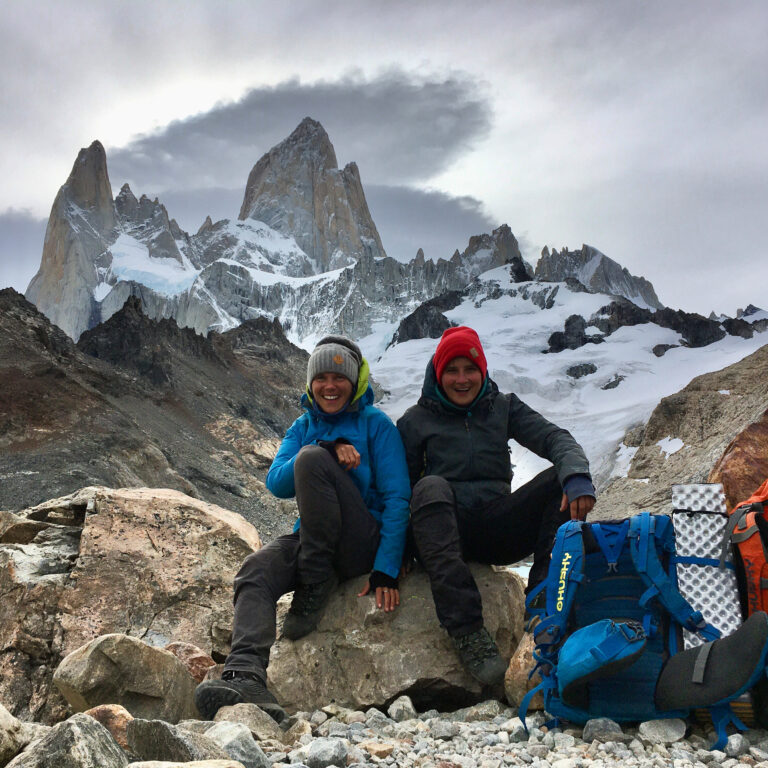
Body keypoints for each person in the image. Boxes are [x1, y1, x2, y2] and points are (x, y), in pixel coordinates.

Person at [195, 335, 411, 721]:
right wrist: (326, 448)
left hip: (361, 539)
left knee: (311, 459)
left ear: (355, 381)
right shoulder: (303, 425)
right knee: (256, 569)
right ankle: (246, 675)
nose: (330, 386)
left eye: (339, 377)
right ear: (310, 383)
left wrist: (386, 568)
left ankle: (316, 580)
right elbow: (276, 482)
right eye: (321, 378)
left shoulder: (376, 425)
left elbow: (398, 499)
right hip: (314, 536)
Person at [397, 326, 595, 686]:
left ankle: (542, 606)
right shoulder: (415, 421)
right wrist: (397, 550)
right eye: (451, 371)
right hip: (443, 533)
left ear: (483, 371)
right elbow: (397, 492)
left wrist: (576, 475)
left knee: (558, 481)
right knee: (429, 487)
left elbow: (555, 438)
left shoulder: (503, 407)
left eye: (470, 369)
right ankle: (468, 632)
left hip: (496, 526)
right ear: (438, 373)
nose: (462, 379)